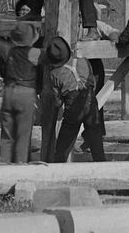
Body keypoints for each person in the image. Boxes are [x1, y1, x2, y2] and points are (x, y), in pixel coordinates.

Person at [44, 32, 107, 163]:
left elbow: (57, 100)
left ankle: (58, 168)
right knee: (96, 140)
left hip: (72, 106)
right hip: (90, 100)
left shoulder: (54, 73)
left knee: (64, 142)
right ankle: (102, 167)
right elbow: (92, 82)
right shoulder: (82, 60)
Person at [0, 22, 42, 164]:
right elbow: (52, 57)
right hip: (25, 92)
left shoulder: (8, 51)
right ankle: (20, 165)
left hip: (9, 90)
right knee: (23, 133)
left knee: (6, 133)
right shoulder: (35, 53)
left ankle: (3, 162)